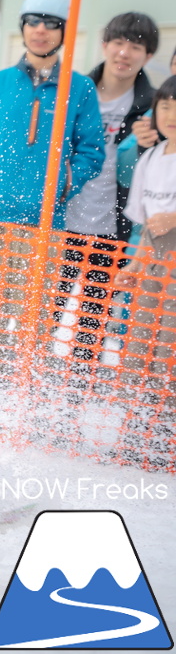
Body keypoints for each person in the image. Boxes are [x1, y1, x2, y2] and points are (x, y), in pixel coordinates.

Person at [0, 0, 105, 385]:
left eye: (51, 24)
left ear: (64, 32)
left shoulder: (80, 89)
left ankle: (22, 394)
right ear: (22, 28)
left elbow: (93, 151)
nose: (41, 31)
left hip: (44, 223)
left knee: (33, 319)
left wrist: (64, 184)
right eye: (33, 22)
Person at [60, 13, 160, 363]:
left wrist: (147, 144)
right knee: (45, 314)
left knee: (92, 326)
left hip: (112, 230)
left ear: (148, 56)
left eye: (136, 47)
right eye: (118, 43)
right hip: (62, 221)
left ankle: (76, 396)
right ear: (104, 45)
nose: (124, 53)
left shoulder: (153, 107)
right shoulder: (74, 92)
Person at [113, 76, 176, 468]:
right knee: (138, 348)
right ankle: (138, 430)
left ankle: (165, 433)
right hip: (153, 264)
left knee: (168, 352)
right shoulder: (151, 158)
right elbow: (145, 224)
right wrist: (132, 266)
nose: (172, 116)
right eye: (166, 107)